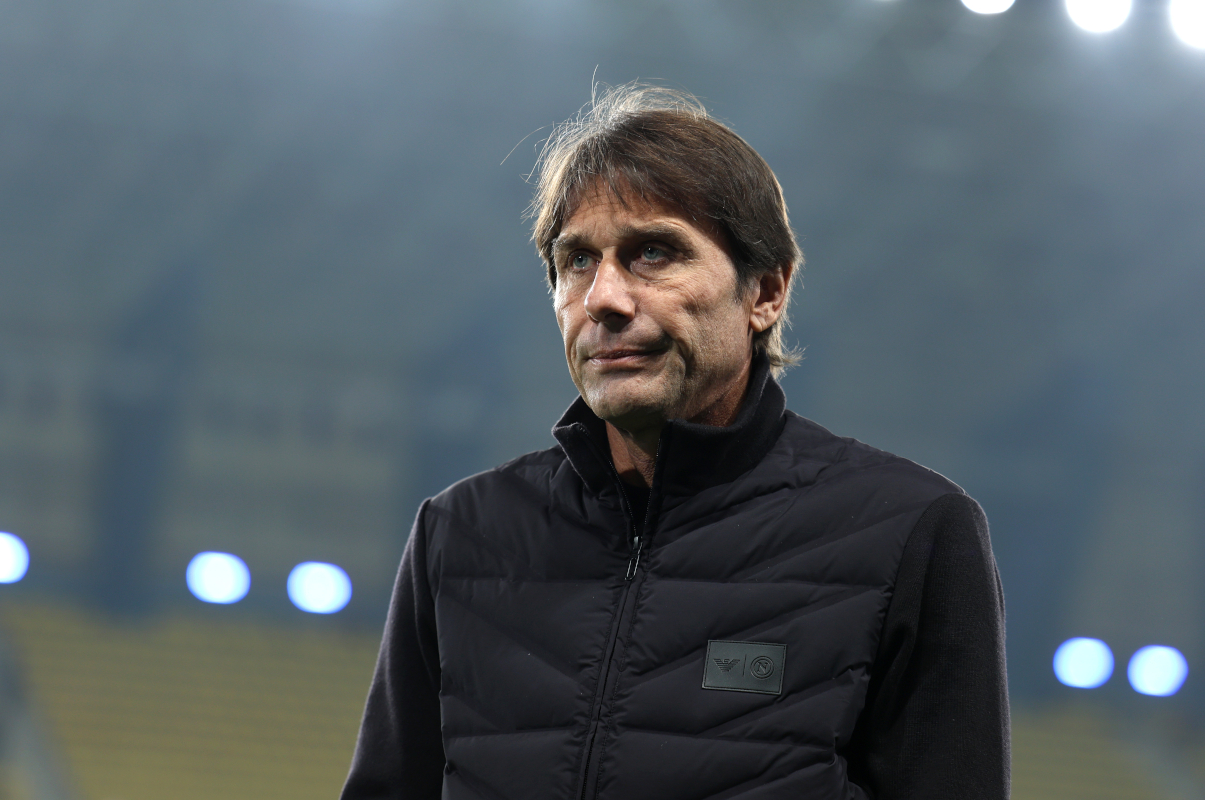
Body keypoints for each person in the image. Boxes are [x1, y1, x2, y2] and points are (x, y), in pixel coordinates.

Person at [341, 83, 1009, 800]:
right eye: (575, 262)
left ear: (766, 293)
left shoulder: (910, 533)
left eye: (652, 253)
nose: (603, 298)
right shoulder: (460, 531)